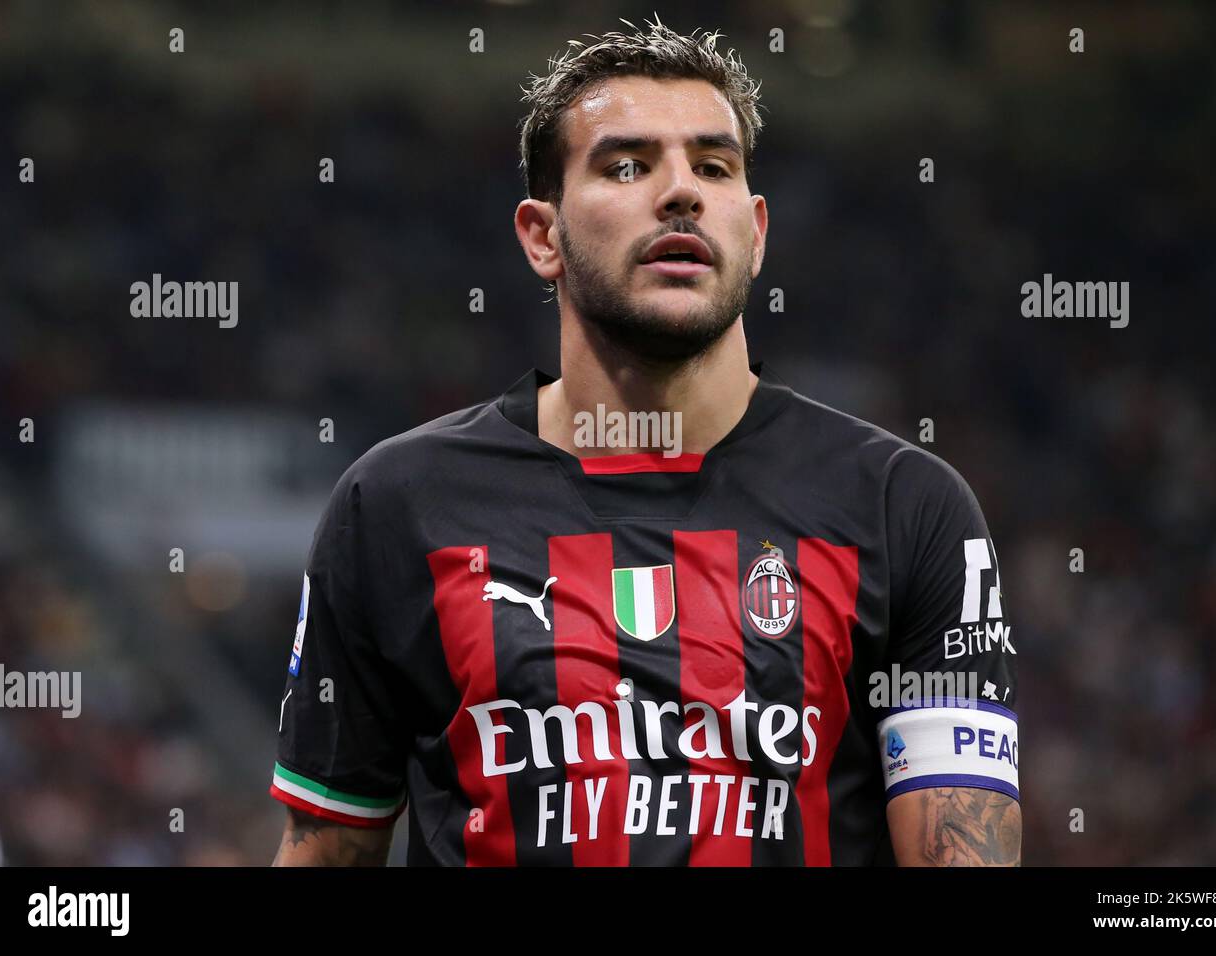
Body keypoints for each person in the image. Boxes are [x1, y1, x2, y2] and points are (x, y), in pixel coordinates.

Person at [271, 17, 1020, 866]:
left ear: (757, 230)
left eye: (713, 165)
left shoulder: (907, 509)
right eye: (626, 165)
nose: (681, 192)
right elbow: (326, 848)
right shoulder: (397, 505)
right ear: (541, 236)